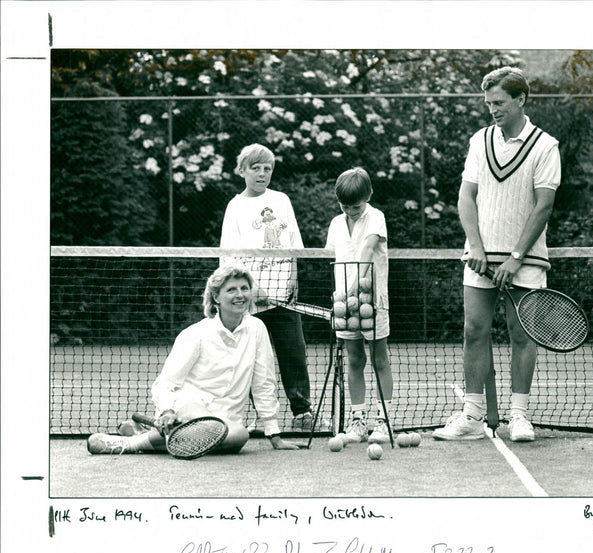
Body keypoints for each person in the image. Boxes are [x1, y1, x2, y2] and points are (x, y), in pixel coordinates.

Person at [433, 66, 561, 443]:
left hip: (526, 260)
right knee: (474, 331)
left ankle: (519, 416)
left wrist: (516, 257)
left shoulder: (545, 146)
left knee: (522, 336)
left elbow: (544, 206)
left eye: (499, 102)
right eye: (488, 103)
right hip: (481, 259)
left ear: (520, 99)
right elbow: (466, 196)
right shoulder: (479, 140)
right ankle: (472, 415)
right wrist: (475, 246)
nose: (492, 109)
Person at [87, 264, 299, 454]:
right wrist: (167, 410)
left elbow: (263, 382)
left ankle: (141, 434)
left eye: (244, 288)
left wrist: (274, 433)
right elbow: (166, 383)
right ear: (216, 297)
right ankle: (130, 444)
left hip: (227, 419)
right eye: (231, 289)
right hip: (190, 406)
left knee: (240, 436)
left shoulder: (257, 329)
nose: (240, 295)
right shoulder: (195, 334)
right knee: (206, 428)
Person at [219, 143, 325, 433]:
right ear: (242, 170)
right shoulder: (235, 207)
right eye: (255, 168)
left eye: (267, 168)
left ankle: (302, 413)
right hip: (251, 302)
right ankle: (258, 417)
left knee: (294, 353)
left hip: (283, 299)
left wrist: (293, 277)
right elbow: (230, 257)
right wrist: (249, 289)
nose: (262, 173)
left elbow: (292, 245)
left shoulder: (282, 200)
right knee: (253, 361)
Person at [325, 167, 393, 444]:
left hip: (372, 301)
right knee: (354, 360)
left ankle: (384, 419)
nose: (351, 211)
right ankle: (357, 420)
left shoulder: (376, 216)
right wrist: (342, 296)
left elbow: (366, 249)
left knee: (379, 360)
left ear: (369, 196)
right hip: (344, 305)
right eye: (345, 205)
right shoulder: (335, 223)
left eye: (356, 205)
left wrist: (357, 287)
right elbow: (337, 257)